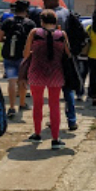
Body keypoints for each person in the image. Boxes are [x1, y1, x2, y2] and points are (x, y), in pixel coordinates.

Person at [23, 9, 70, 148]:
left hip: (36, 72)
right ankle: (55, 139)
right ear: (56, 22)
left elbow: (26, 54)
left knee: (37, 104)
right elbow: (68, 54)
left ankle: (37, 134)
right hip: (56, 73)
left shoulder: (34, 33)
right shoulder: (62, 34)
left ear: (41, 21)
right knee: (54, 105)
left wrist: (34, 52)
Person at [0, 0, 35, 118]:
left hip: (9, 55)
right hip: (23, 56)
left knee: (11, 81)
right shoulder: (30, 23)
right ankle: (22, 103)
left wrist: (6, 40)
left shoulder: (7, 21)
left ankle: (12, 107)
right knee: (22, 81)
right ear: (26, 10)